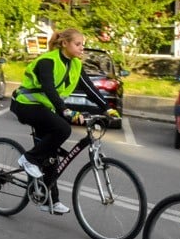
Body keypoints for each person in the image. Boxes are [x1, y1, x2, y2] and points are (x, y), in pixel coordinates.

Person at [10, 28, 120, 214]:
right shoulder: (48, 61)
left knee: (51, 154)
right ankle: (28, 159)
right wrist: (65, 110)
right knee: (62, 129)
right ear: (64, 44)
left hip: (46, 108)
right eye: (78, 44)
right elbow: (49, 88)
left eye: (82, 44)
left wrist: (106, 108)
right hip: (26, 105)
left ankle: (49, 200)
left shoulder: (75, 64)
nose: (81, 48)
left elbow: (89, 89)